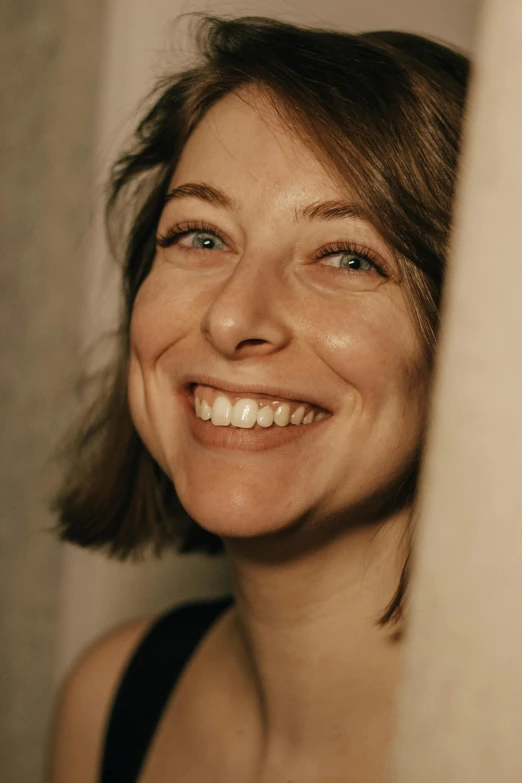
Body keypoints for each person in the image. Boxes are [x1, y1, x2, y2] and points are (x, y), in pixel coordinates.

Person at [48, 15, 469, 783]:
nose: (234, 317)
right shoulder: (107, 702)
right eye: (201, 236)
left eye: (348, 255)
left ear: (470, 339)